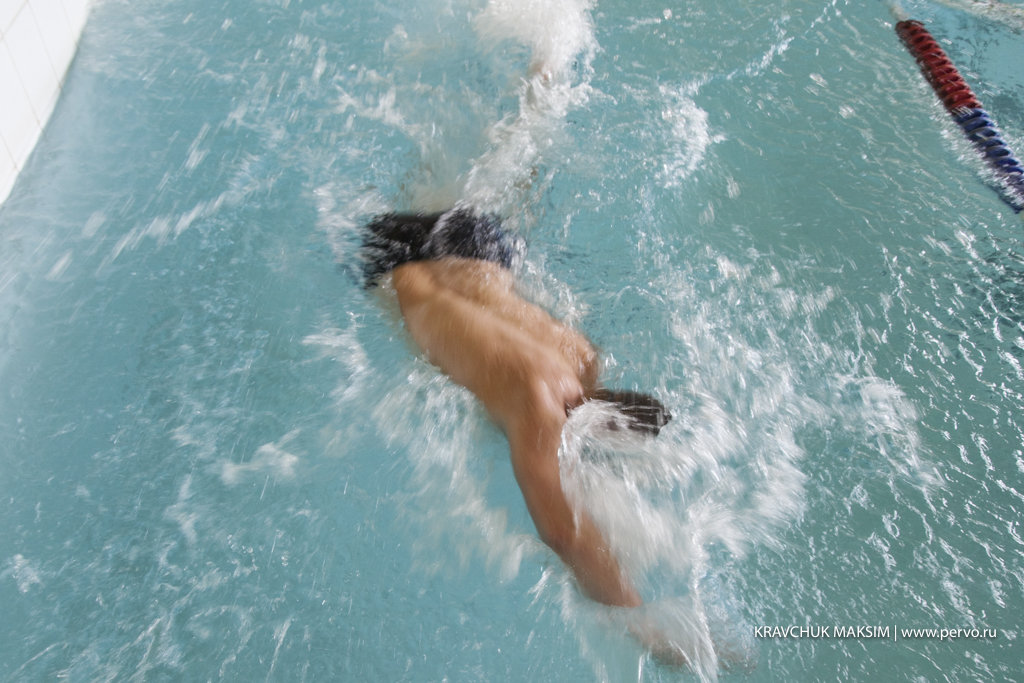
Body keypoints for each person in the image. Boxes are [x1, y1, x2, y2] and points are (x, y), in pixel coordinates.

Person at [363, 208, 671, 609]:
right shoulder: (538, 406)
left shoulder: (581, 356)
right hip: (397, 275)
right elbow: (562, 534)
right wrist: (638, 617)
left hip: (474, 245)